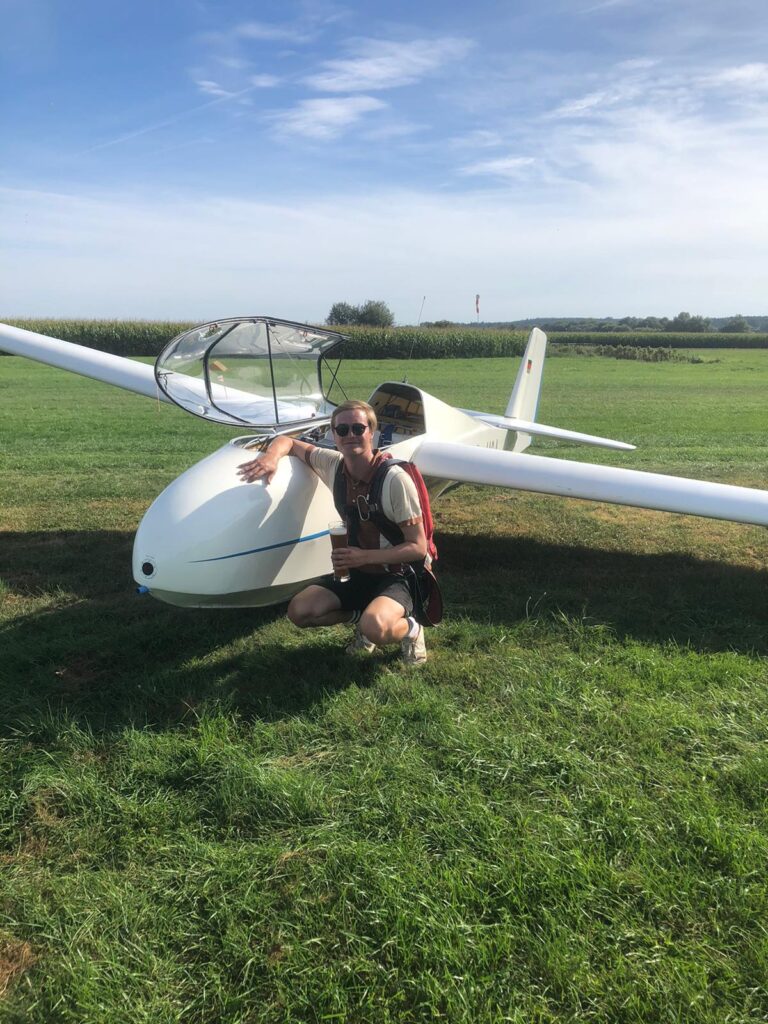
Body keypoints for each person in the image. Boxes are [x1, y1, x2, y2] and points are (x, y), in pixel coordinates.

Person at [237, 400, 428, 665]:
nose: (350, 435)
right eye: (342, 430)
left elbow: (418, 547)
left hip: (396, 574)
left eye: (358, 428)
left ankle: (412, 629)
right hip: (357, 571)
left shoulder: (395, 479)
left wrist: (363, 557)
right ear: (334, 435)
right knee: (300, 611)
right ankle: (363, 621)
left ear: (371, 432)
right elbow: (288, 441)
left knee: (377, 627)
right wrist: (270, 457)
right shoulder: (334, 464)